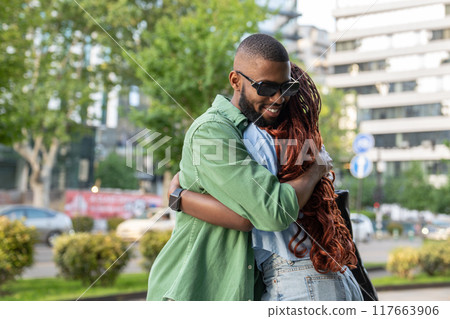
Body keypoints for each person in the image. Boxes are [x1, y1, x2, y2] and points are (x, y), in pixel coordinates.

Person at [147, 34, 335, 301]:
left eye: (287, 88)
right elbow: (271, 210)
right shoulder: (212, 131)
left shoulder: (264, 135)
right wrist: (316, 170)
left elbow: (247, 218)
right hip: (194, 292)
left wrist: (181, 199)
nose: (279, 98)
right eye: (267, 88)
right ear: (235, 81)